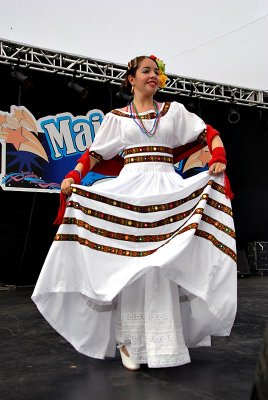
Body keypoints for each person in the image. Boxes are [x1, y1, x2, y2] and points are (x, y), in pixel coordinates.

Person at [32, 55, 237, 370]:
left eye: (156, 72)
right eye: (146, 71)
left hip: (166, 190)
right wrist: (73, 176)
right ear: (131, 79)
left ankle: (164, 341)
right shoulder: (117, 118)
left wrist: (218, 154)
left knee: (161, 266)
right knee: (132, 265)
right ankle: (129, 341)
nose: (153, 76)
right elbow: (94, 154)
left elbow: (208, 132)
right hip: (131, 191)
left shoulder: (173, 112)